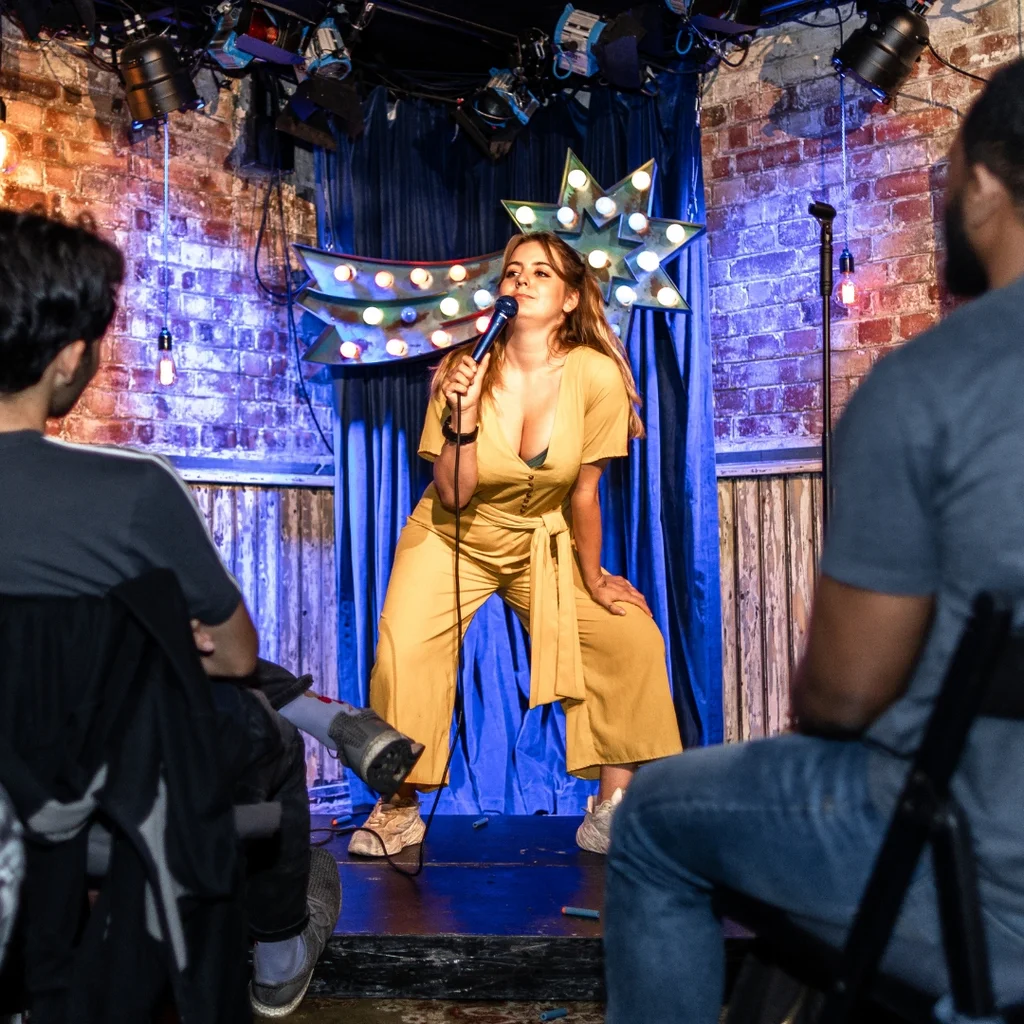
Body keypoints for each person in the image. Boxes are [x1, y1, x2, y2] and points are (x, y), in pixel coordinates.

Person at [603, 59, 1024, 1021]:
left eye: (949, 172)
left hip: (979, 876)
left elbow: (841, 695)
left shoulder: (928, 386)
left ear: (984, 182)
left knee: (653, 817)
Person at [0, 208, 340, 1019]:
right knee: (267, 730)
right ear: (70, 357)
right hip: (106, 782)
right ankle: (278, 953)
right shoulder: (134, 491)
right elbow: (235, 653)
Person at [349, 230, 684, 858]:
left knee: (628, 634)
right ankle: (398, 807)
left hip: (540, 540)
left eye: (541, 272)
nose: (522, 280)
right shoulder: (464, 370)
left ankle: (610, 807)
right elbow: (452, 494)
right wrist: (464, 418)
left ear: (570, 298)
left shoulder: (596, 375)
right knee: (402, 650)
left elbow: (584, 493)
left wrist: (595, 576)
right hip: (452, 535)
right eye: (513, 271)